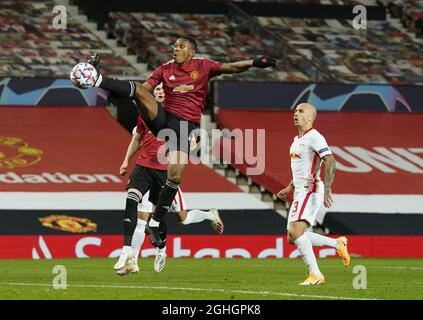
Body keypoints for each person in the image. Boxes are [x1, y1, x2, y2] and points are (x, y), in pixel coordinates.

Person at [80, 37, 276, 250]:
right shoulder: (165, 69)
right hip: (163, 119)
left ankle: (156, 222)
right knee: (137, 90)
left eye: (181, 46)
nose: (176, 49)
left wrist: (255, 62)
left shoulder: (204, 66)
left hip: (183, 128)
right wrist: (118, 93)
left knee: (175, 177)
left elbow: (232, 67)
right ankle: (98, 80)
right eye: (175, 46)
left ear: (192, 52)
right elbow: (144, 91)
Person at [114, 85, 223, 275]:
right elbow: (136, 139)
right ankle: (133, 262)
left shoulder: (178, 117)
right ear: (153, 94)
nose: (161, 92)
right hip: (146, 171)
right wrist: (125, 161)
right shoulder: (145, 115)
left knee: (183, 218)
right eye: (157, 89)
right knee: (142, 221)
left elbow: (193, 142)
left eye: (165, 90)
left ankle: (209, 215)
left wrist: (190, 144)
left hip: (167, 175)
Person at [277, 103, 350, 286]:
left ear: (310, 117)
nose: (296, 114)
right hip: (300, 190)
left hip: (310, 190)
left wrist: (327, 189)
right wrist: (289, 187)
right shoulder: (296, 140)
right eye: (295, 111)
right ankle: (337, 244)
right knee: (291, 238)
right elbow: (304, 169)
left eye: (301, 111)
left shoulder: (315, 137)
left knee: (296, 232)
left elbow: (330, 161)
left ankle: (316, 275)